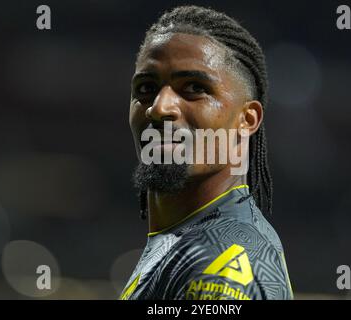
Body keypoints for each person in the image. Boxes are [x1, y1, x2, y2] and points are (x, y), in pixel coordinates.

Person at [122, 5, 293, 300]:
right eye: (147, 87)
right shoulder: (183, 240)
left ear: (247, 119)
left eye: (193, 87)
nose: (160, 108)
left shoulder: (221, 265)